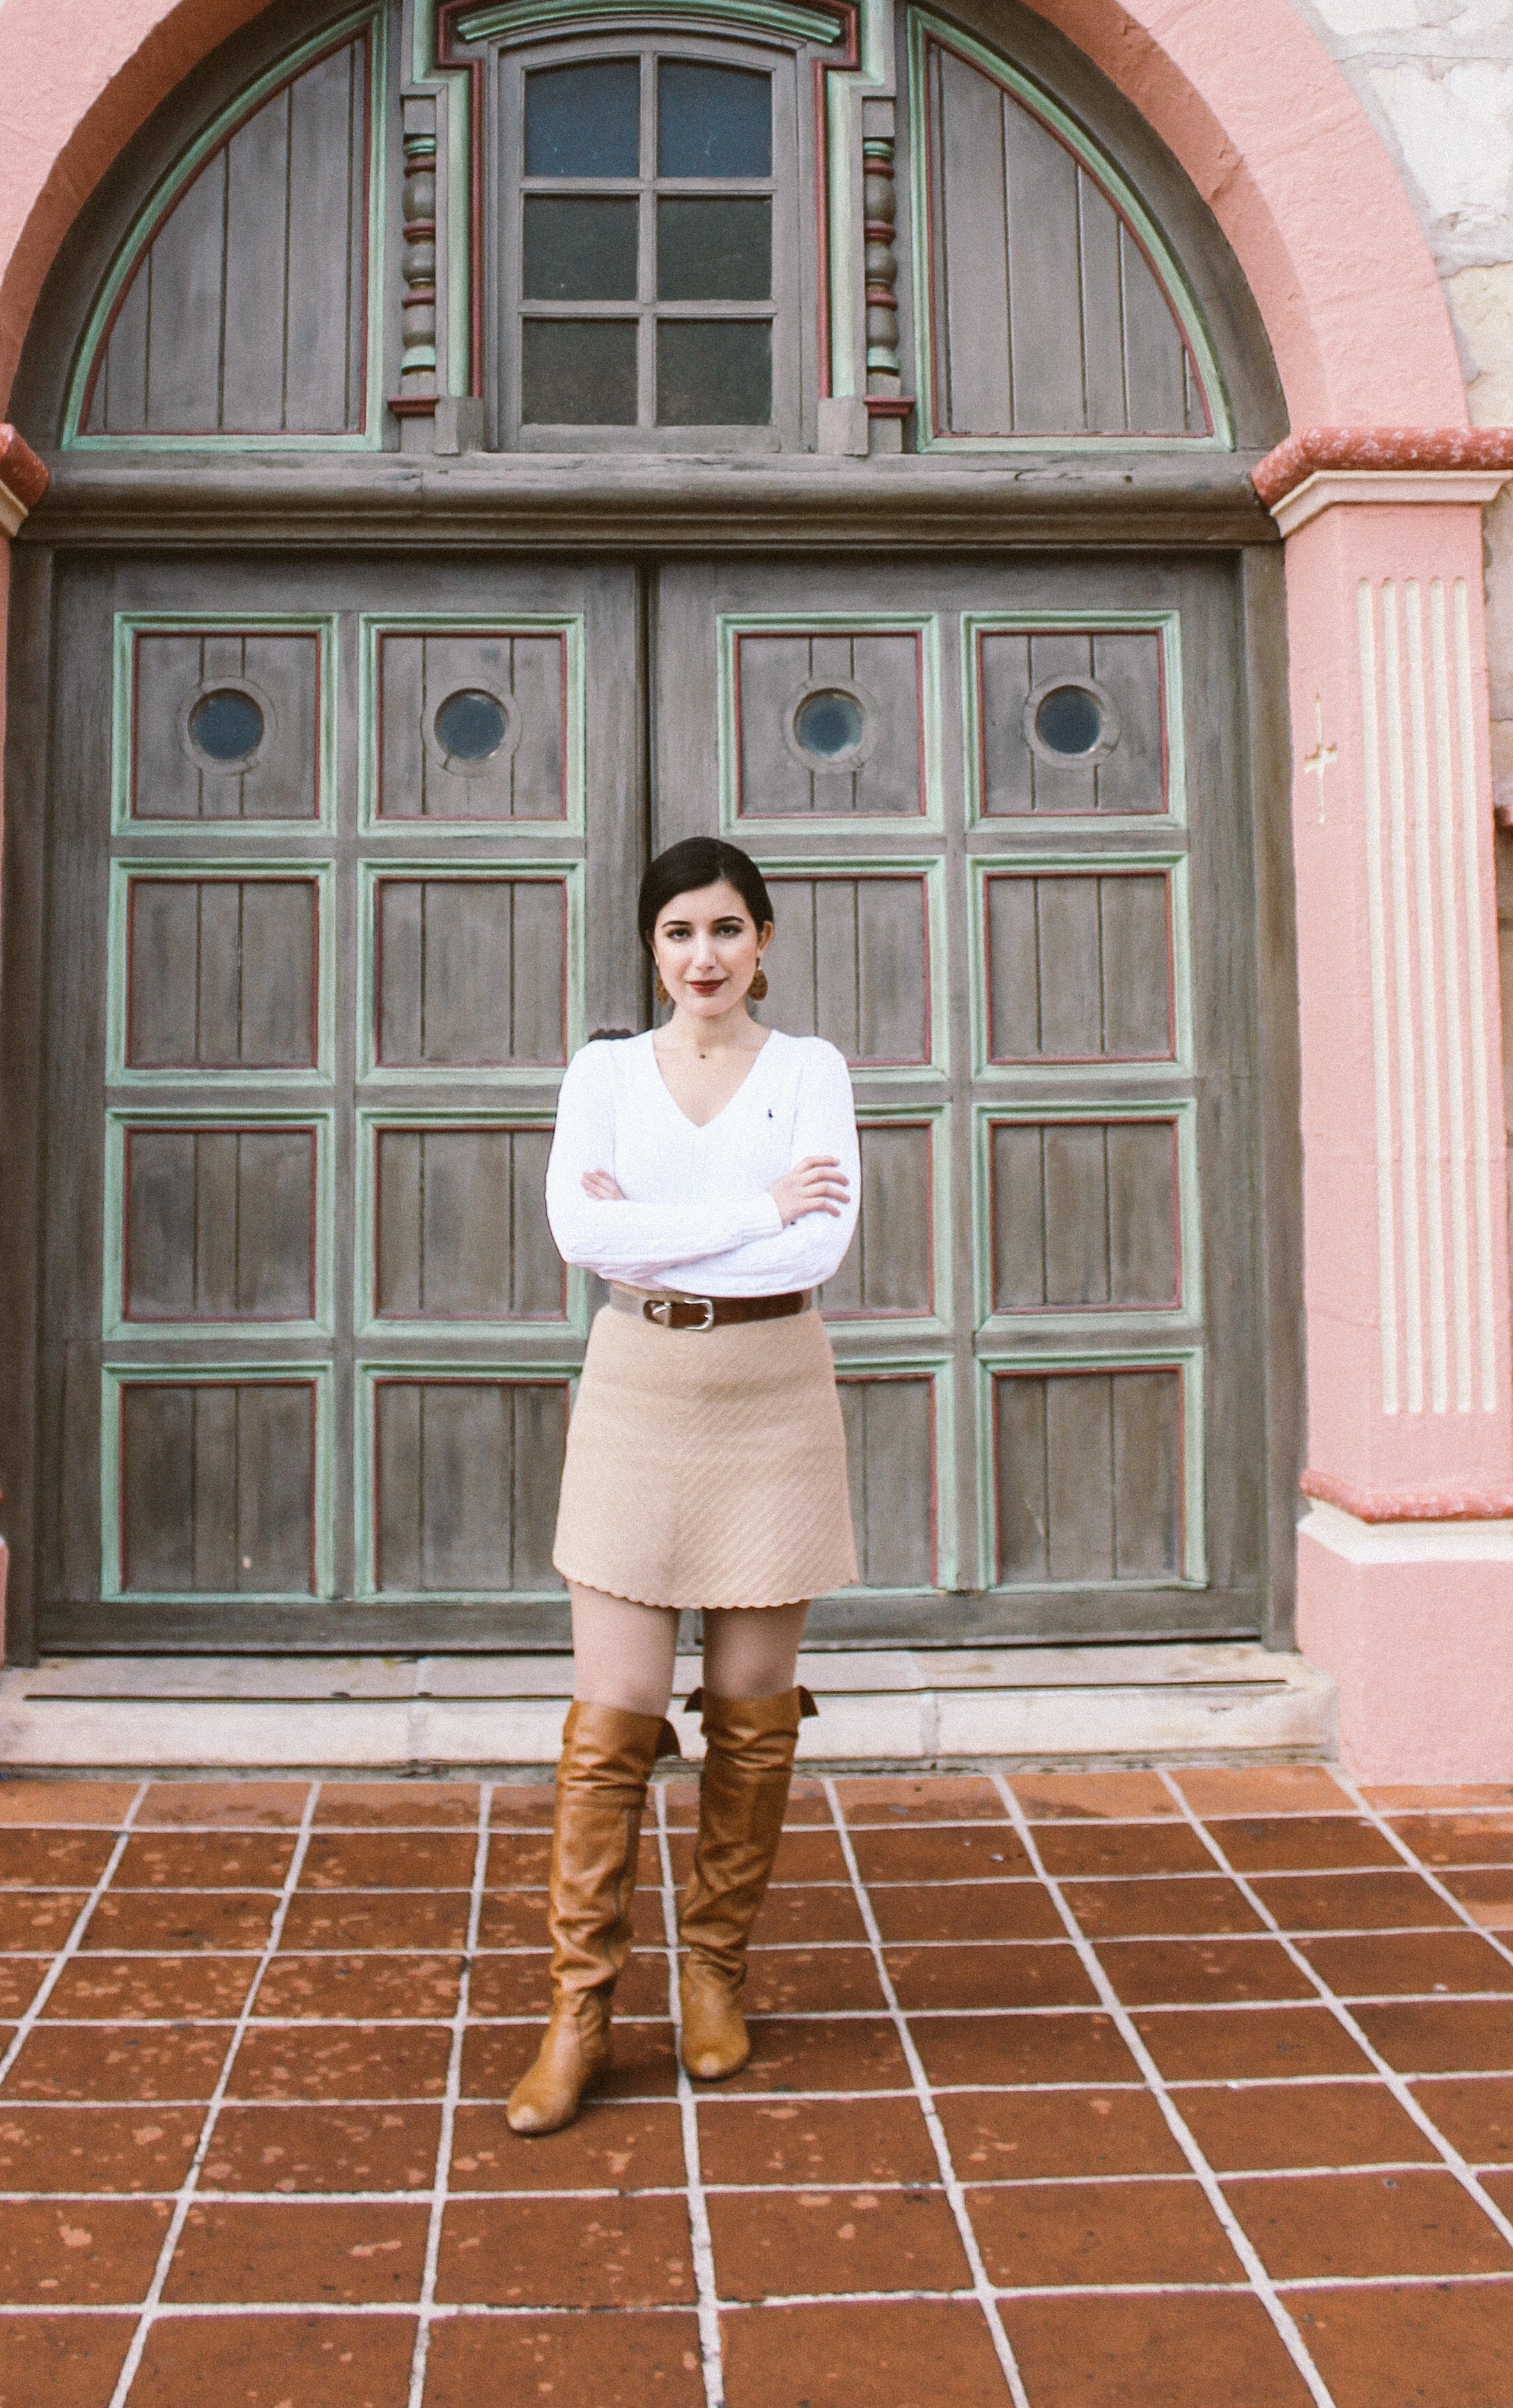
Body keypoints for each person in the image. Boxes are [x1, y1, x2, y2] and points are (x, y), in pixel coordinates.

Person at [506, 835, 862, 2138]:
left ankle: (714, 1976)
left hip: (774, 1390)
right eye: (678, 934)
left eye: (725, 930)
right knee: (611, 1717)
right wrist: (754, 1208)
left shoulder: (811, 1071)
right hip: (639, 1387)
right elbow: (581, 1235)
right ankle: (580, 2010)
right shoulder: (602, 1074)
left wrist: (697, 1216)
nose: (702, 957)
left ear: (764, 940)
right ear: (651, 950)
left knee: (753, 1711)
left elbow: (827, 1234)